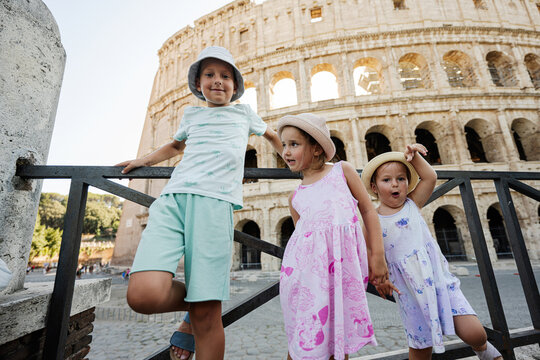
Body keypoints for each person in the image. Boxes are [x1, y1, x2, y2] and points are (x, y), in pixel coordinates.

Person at [116, 46, 283, 360]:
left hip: (214, 203)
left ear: (236, 86)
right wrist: (145, 159)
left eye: (225, 76)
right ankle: (196, 304)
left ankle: (199, 309)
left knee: (209, 314)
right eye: (210, 74)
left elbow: (272, 135)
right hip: (171, 200)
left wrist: (289, 159)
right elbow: (176, 145)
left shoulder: (244, 112)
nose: (217, 81)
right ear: (198, 82)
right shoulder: (191, 114)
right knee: (142, 295)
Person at [361, 144, 503, 360]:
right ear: (374, 187)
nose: (395, 184)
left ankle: (485, 351)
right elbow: (369, 253)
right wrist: (378, 278)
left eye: (401, 178)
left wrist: (414, 157)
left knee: (475, 333)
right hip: (408, 291)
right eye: (387, 180)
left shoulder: (412, 203)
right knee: (420, 349)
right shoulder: (372, 219)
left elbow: (429, 177)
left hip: (439, 281)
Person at [277, 113, 390, 360]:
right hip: (304, 280)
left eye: (294, 144)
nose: (285, 151)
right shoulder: (295, 197)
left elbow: (368, 210)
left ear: (317, 148)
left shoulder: (342, 171)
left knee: (339, 337)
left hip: (343, 273)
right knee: (304, 339)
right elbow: (302, 242)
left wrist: (377, 255)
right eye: (284, 145)